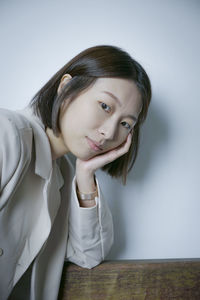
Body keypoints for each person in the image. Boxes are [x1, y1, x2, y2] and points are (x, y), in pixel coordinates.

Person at [0, 45, 151, 300]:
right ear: (66, 88)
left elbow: (89, 255)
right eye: (105, 106)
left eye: (126, 124)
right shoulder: (7, 134)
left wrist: (85, 175)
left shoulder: (66, 176)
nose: (110, 133)